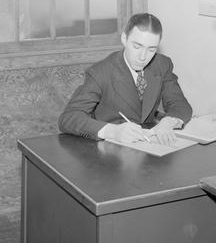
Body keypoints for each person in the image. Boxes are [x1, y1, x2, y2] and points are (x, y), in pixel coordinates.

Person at [58, 13, 192, 146]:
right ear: (124, 39)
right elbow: (68, 118)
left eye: (151, 49)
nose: (143, 57)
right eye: (137, 46)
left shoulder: (162, 65)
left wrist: (168, 122)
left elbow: (180, 104)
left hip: (147, 146)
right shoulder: (100, 72)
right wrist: (112, 131)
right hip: (109, 151)